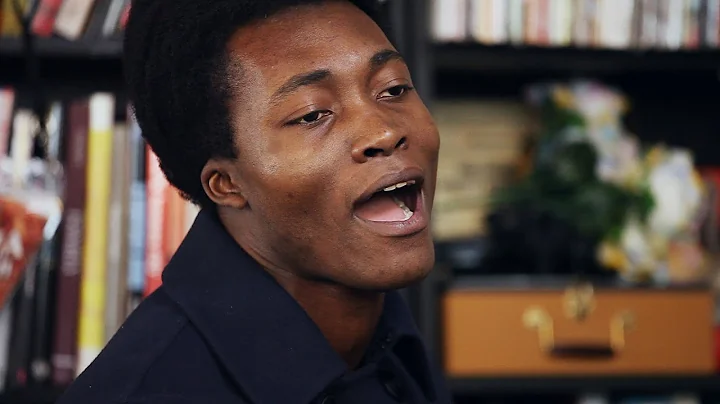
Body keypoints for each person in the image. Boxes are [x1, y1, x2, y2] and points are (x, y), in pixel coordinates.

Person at [57, 0, 450, 403]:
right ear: (226, 183)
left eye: (394, 88)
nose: (384, 133)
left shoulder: (391, 335)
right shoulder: (147, 391)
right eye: (313, 114)